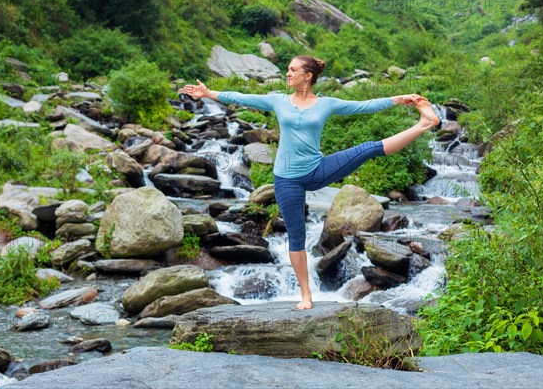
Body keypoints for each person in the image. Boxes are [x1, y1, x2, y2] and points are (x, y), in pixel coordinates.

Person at [179, 55, 439, 310]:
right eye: (287, 70)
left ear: (308, 75)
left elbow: (364, 106)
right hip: (286, 179)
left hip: (317, 170)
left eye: (293, 70)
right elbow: (240, 97)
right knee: (296, 237)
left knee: (369, 148)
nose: (288, 74)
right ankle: (306, 294)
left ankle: (424, 123)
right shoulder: (277, 101)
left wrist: (399, 99)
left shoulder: (326, 104)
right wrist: (208, 93)